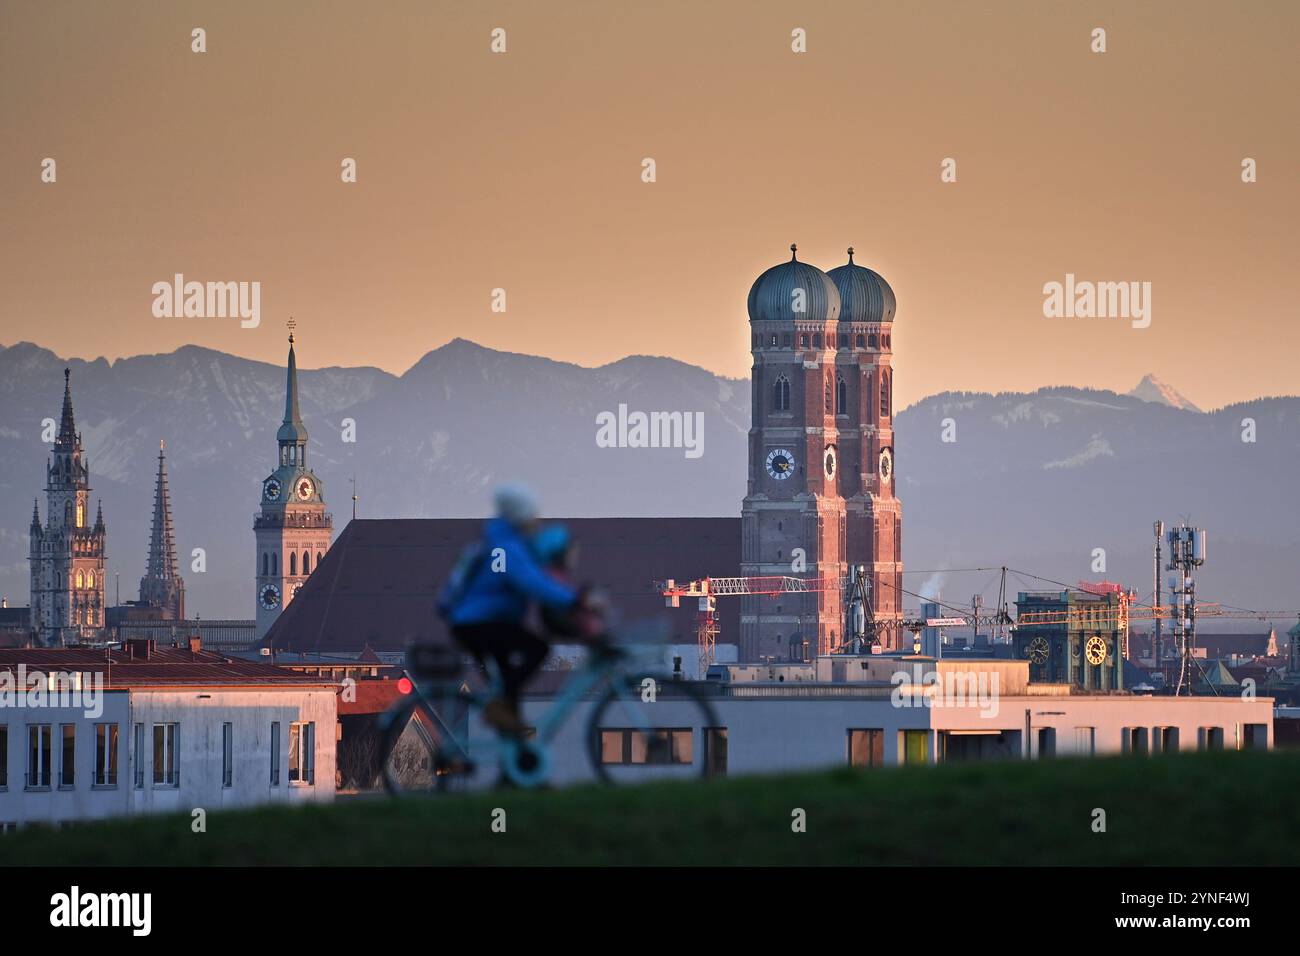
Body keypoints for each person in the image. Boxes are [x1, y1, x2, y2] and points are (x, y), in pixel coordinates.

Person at [439, 485, 593, 733]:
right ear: (520, 516)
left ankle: (513, 748)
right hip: (481, 624)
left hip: (475, 623)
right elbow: (531, 581)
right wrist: (573, 599)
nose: (536, 521)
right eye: (532, 515)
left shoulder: (501, 542)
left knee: (507, 684)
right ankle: (501, 712)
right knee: (538, 649)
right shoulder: (507, 547)